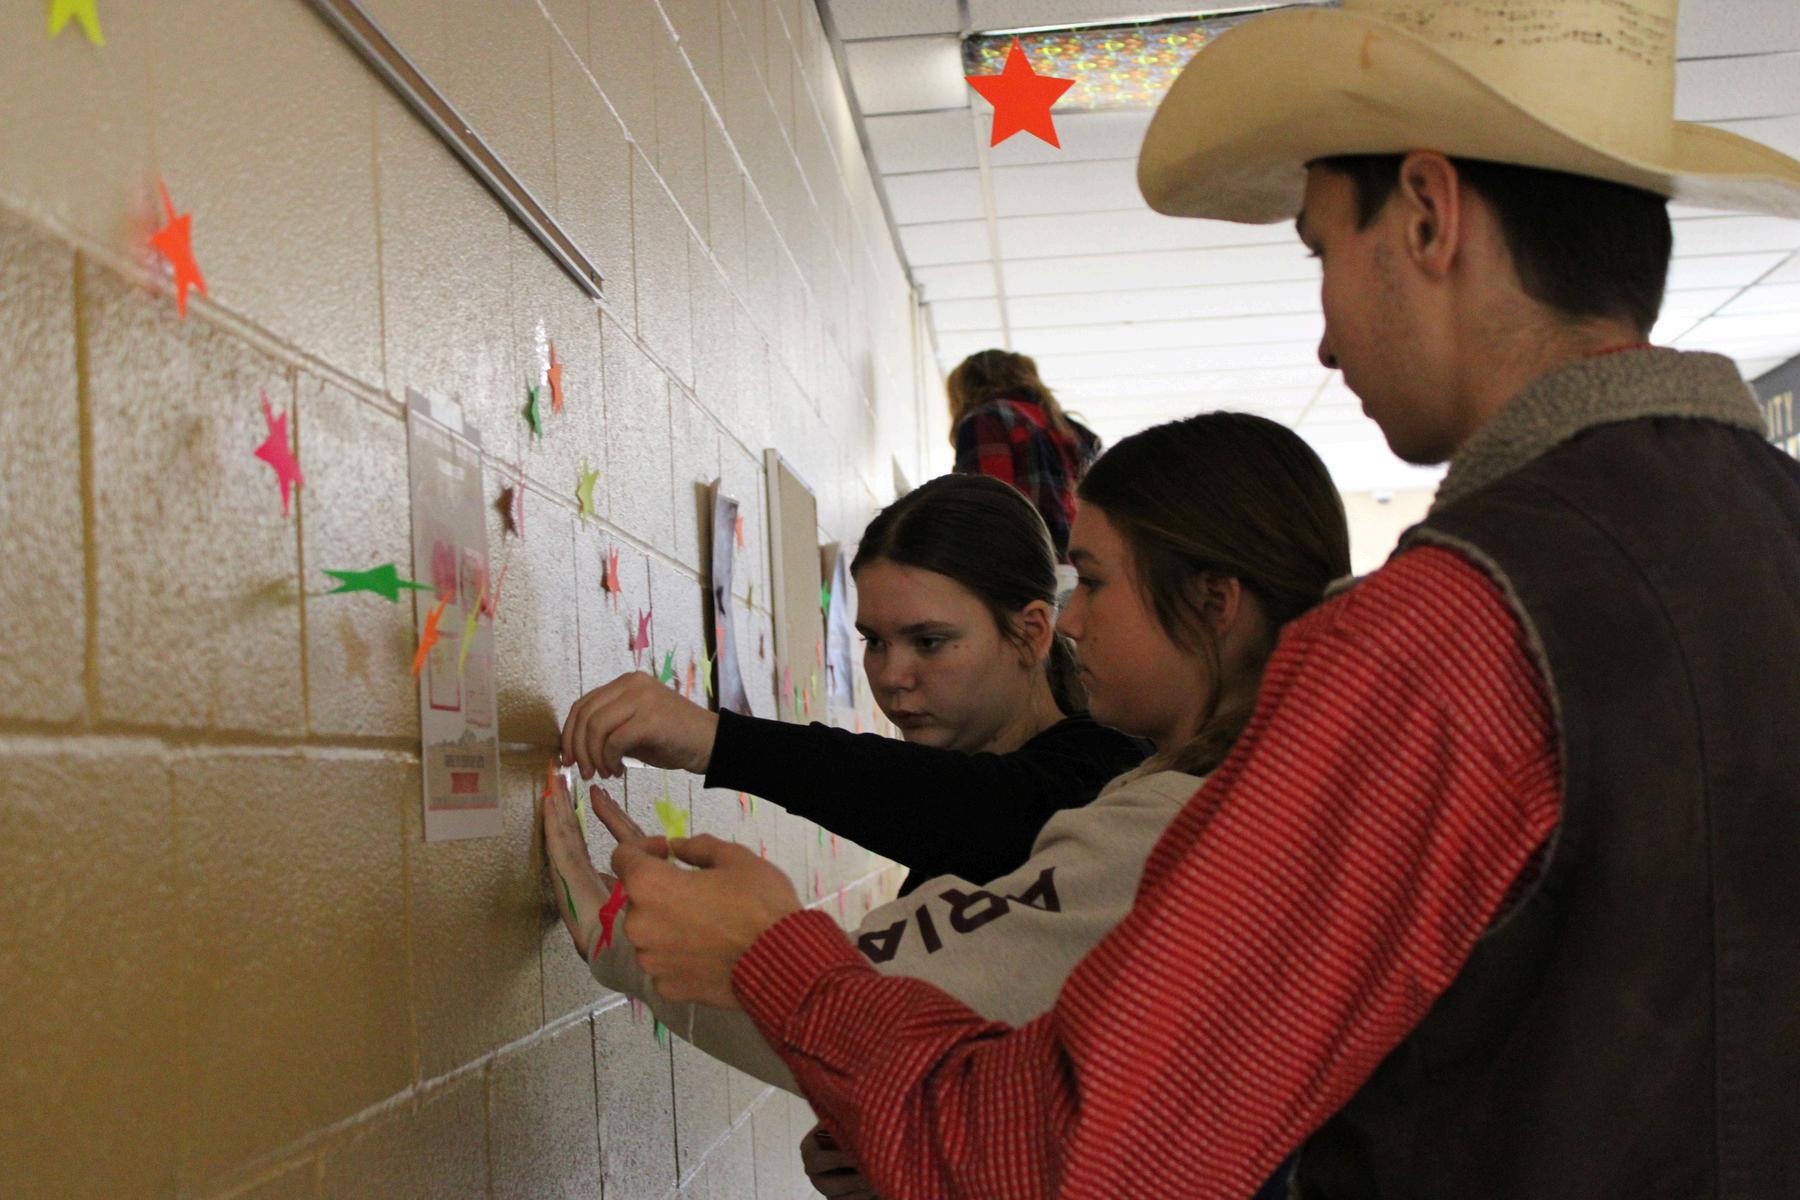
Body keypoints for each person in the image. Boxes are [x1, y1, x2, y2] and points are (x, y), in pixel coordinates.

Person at [597, 2, 1800, 1197]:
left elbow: (1091, 1152)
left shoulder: (1440, 634)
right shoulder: (1767, 535)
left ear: (1429, 215)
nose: (1325, 342)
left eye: (1322, 251)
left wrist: (784, 970)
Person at [544, 415, 1350, 1200]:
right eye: (873, 641)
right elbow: (1055, 1103)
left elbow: (883, 976)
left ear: (1213, 603)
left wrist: (629, 927)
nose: (1076, 619)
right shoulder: (1215, 798)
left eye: (1095, 583)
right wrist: (912, 1143)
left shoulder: (1156, 807)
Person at [561, 473, 1144, 897]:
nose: (891, 677)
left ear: (1032, 633)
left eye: (929, 641)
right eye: (874, 641)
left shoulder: (1110, 775)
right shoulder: (949, 832)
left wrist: (716, 741)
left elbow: (971, 807)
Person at [948, 348, 1100, 558]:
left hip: (1021, 561)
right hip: (1078, 564)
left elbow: (987, 506)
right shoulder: (1079, 433)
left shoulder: (985, 420)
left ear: (966, 388)